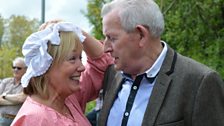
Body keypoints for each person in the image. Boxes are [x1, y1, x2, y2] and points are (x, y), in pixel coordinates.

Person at [98, 0, 224, 126]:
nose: (106, 48)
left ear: (141, 35)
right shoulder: (111, 75)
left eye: (112, 38)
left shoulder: (199, 82)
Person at [11, 21, 113, 125]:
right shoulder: (35, 119)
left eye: (80, 58)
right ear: (46, 65)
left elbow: (105, 66)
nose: (82, 67)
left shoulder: (68, 100)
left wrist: (73, 28)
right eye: (72, 58)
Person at [0, 57, 27, 126]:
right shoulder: (5, 81)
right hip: (2, 118)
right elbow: (18, 100)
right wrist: (14, 101)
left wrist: (4, 96)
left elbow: (22, 99)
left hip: (18, 121)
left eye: (19, 68)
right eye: (14, 67)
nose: (15, 70)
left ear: (26, 69)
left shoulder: (27, 84)